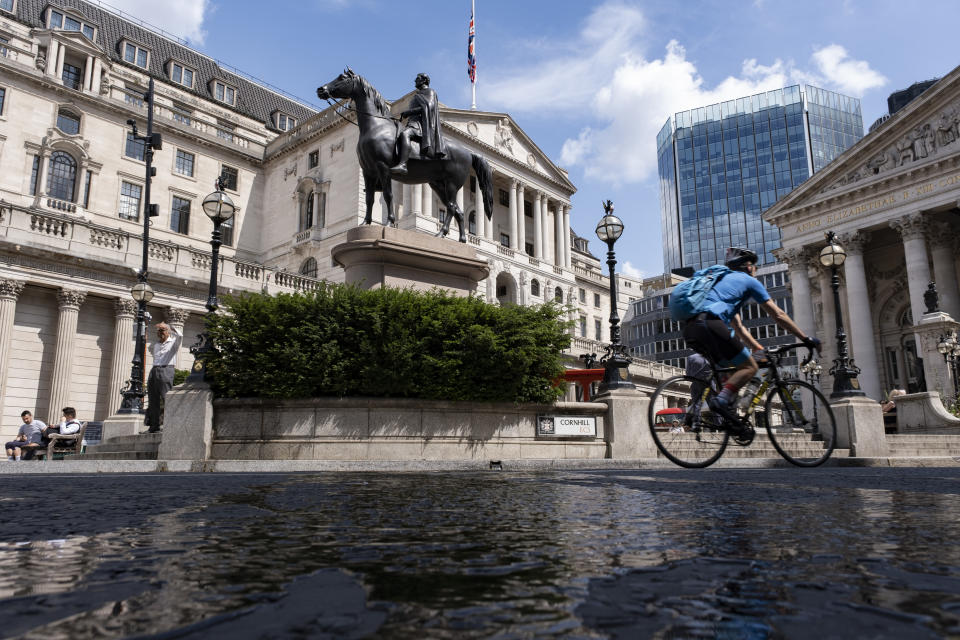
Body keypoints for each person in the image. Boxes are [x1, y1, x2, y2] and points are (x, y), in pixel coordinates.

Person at [681, 247, 820, 439]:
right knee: (749, 367)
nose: (755, 269)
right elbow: (778, 314)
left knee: (732, 373)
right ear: (748, 266)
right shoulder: (748, 281)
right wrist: (805, 338)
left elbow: (738, 325)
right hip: (710, 326)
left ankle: (731, 420)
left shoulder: (721, 282)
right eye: (755, 266)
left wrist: (757, 348)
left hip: (690, 329)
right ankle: (720, 403)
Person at [390, 73, 445, 175]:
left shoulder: (430, 92)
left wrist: (408, 112)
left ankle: (403, 165)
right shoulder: (418, 95)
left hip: (420, 125)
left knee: (405, 134)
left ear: (424, 80)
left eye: (417, 78)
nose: (415, 80)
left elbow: (429, 107)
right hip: (412, 123)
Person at [144, 322, 182, 433]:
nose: (160, 332)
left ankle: (171, 425)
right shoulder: (156, 345)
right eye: (159, 330)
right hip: (154, 370)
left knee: (167, 398)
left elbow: (180, 336)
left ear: (168, 332)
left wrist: (171, 327)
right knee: (153, 399)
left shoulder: (173, 343)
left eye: (162, 330)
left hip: (166, 369)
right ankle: (154, 426)